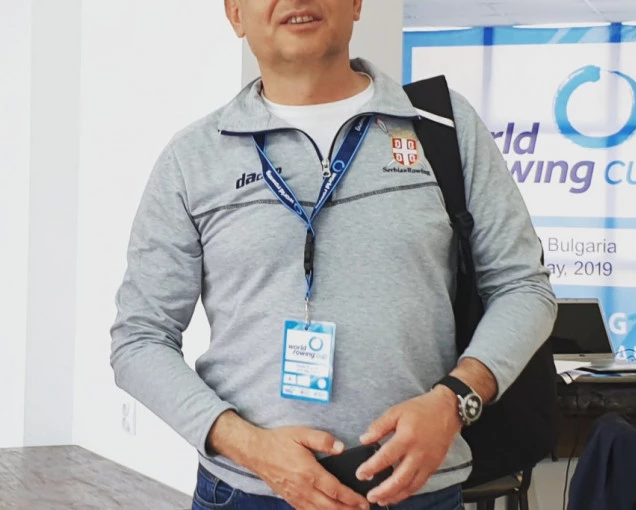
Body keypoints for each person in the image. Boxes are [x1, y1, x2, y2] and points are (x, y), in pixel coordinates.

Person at [109, 1, 557, 509]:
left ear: (357, 4)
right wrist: (249, 447)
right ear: (235, 13)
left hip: (417, 492)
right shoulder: (192, 158)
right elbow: (139, 339)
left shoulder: (441, 126)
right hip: (248, 492)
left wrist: (456, 400)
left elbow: (523, 287)